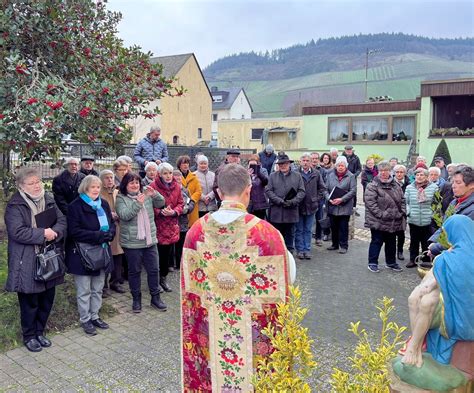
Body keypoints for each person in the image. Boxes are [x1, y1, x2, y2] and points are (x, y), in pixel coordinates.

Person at [181, 163, 295, 392]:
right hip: (250, 333)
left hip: (209, 326)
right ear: (248, 190)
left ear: (219, 193)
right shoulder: (267, 234)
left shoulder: (196, 231)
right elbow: (287, 278)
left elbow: (189, 284)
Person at [5, 168, 67, 352]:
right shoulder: (15, 205)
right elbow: (17, 231)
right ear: (21, 186)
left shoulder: (48, 199)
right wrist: (43, 234)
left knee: (47, 299)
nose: (36, 186)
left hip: (49, 257)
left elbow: (62, 220)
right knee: (30, 301)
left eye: (38, 182)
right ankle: (29, 336)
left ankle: (40, 332)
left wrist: (55, 232)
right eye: (31, 183)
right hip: (27, 260)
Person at [400, 215, 474, 368]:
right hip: (464, 311)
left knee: (424, 301)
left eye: (447, 234)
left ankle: (415, 347)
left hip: (459, 317)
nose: (446, 238)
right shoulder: (450, 256)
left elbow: (432, 284)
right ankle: (417, 345)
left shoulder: (447, 258)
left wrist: (427, 286)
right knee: (416, 297)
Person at [66, 175, 115, 335]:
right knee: (84, 290)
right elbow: (74, 232)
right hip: (82, 255)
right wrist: (100, 236)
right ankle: (85, 319)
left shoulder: (104, 204)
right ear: (85, 188)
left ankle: (95, 316)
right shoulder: (75, 206)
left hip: (101, 252)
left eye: (98, 187)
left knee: (98, 288)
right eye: (92, 187)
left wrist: (111, 234)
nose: (96, 190)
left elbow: (112, 224)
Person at [115, 173, 167, 313]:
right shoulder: (121, 198)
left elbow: (161, 203)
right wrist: (138, 203)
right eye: (131, 183)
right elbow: (125, 215)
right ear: (125, 185)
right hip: (132, 243)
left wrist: (154, 194)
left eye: (137, 182)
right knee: (135, 272)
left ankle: (155, 298)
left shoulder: (146, 195)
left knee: (154, 270)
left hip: (149, 241)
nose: (135, 185)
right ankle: (136, 300)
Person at [364, 161, 405, 273]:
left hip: (394, 219)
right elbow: (370, 202)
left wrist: (402, 212)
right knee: (376, 241)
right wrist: (381, 214)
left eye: (386, 170)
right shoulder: (372, 185)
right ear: (378, 171)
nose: (383, 173)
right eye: (381, 170)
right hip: (378, 220)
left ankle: (391, 263)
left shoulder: (396, 185)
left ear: (390, 171)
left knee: (391, 242)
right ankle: (372, 263)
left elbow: (402, 200)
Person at [149, 163, 184, 290]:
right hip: (158, 225)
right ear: (160, 174)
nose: (168, 176)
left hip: (172, 225)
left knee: (167, 255)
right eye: (165, 173)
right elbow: (148, 204)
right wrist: (160, 212)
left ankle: (163, 278)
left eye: (170, 173)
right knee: (157, 254)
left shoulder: (177, 186)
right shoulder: (153, 186)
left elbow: (181, 203)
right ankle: (155, 281)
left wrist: (174, 211)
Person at [429, 165, 474, 257]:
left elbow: (458, 238)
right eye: (453, 182)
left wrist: (435, 248)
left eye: (458, 182)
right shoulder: (455, 202)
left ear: (471, 185)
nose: (453, 186)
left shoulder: (471, 209)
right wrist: (433, 241)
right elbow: (445, 226)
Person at [266, 154, 306, 253]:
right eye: (280, 164)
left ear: (289, 164)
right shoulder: (272, 176)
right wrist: (279, 201)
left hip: (291, 211)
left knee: (290, 234)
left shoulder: (297, 176)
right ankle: (277, 254)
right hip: (276, 211)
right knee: (277, 235)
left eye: (285, 163)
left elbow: (302, 191)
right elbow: (268, 191)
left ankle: (289, 254)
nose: (283, 166)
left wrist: (292, 201)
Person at [404, 168, 438, 268]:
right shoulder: (410, 187)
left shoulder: (434, 187)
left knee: (426, 241)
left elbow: (436, 204)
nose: (419, 177)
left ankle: (426, 260)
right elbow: (405, 202)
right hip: (413, 219)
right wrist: (408, 212)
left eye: (422, 175)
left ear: (426, 176)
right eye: (417, 175)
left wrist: (432, 215)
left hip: (427, 219)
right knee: (414, 241)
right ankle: (413, 260)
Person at [99, 170, 126, 295]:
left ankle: (115, 282)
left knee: (118, 257)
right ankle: (103, 286)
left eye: (111, 177)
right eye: (106, 178)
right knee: (106, 257)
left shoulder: (117, 192)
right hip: (105, 229)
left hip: (118, 228)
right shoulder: (98, 193)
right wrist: (110, 215)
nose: (110, 180)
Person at [295, 153, 326, 259]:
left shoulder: (316, 173)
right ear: (300, 162)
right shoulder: (295, 173)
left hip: (311, 206)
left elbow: (322, 188)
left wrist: (316, 199)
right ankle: (299, 249)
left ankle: (307, 250)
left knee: (308, 229)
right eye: (303, 160)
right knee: (299, 229)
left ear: (310, 162)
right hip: (298, 205)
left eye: (307, 160)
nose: (305, 162)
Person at [325, 156, 356, 254]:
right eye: (339, 165)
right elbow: (325, 189)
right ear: (336, 166)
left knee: (343, 227)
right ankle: (334, 244)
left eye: (342, 165)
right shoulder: (330, 175)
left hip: (344, 206)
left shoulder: (351, 176)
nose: (340, 167)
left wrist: (342, 199)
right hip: (332, 205)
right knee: (333, 226)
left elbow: (353, 191)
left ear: (346, 166)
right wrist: (328, 198)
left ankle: (344, 246)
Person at [172, 169, 192, 271]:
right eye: (176, 179)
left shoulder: (185, 190)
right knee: (172, 244)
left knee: (181, 243)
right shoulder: (170, 190)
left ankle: (180, 263)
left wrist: (187, 209)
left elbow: (191, 202)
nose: (178, 181)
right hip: (172, 220)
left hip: (183, 221)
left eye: (180, 179)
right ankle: (171, 263)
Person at [177, 155, 202, 227]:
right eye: (183, 163)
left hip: (192, 205)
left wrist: (192, 200)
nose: (186, 165)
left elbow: (198, 191)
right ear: (179, 165)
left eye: (187, 163)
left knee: (192, 227)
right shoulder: (176, 176)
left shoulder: (194, 177)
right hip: (181, 205)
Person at [393, 164, 409, 260]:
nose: (399, 174)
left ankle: (400, 251)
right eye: (397, 172)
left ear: (405, 173)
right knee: (391, 233)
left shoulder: (409, 184)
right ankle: (391, 251)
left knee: (401, 233)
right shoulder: (390, 183)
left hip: (403, 211)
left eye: (401, 172)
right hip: (392, 211)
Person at [247, 154, 269, 220]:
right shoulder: (245, 172)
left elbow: (266, 182)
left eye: (254, 164)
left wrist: (258, 173)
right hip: (250, 204)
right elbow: (244, 186)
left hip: (260, 204)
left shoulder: (263, 171)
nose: (252, 167)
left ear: (258, 164)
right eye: (251, 164)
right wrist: (248, 176)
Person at [342, 145, 361, 213]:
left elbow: (359, 169)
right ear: (345, 150)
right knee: (343, 192)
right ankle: (343, 206)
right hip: (343, 178)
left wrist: (354, 175)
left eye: (350, 150)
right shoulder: (341, 157)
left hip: (353, 178)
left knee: (353, 192)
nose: (349, 151)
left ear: (352, 150)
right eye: (347, 150)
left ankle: (353, 207)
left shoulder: (356, 158)